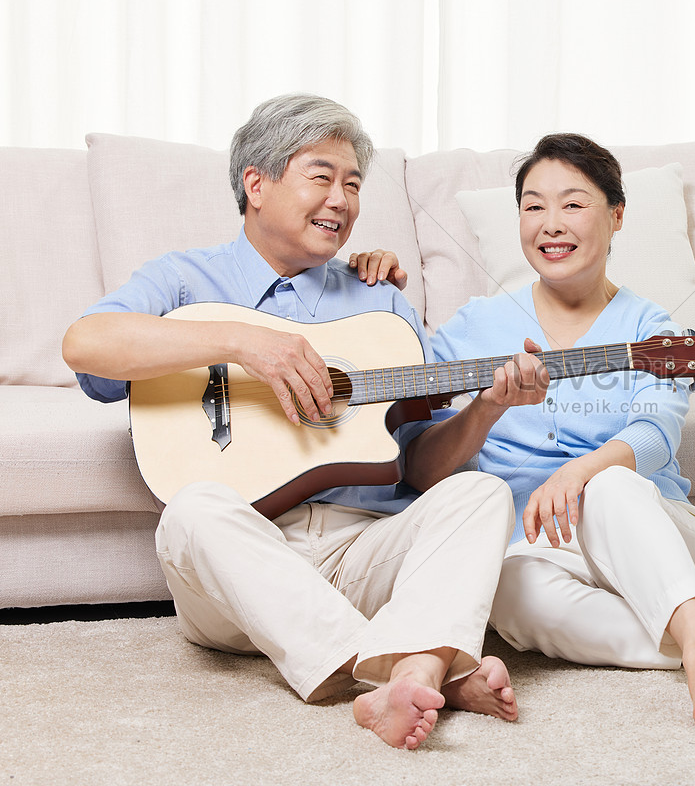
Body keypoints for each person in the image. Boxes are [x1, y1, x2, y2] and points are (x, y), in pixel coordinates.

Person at [61, 94, 547, 751]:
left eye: (353, 185)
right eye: (322, 177)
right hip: (244, 572)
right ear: (255, 184)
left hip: (365, 550)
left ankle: (396, 674)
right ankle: (415, 664)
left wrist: (488, 407)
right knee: (192, 510)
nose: (342, 200)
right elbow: (85, 344)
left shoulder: (381, 304)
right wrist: (240, 341)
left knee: (480, 492)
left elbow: (422, 467)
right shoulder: (184, 281)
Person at [407, 133, 695, 731]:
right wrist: (487, 410)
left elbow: (655, 436)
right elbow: (422, 470)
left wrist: (578, 473)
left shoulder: (653, 328)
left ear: (617, 215)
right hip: (541, 547)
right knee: (505, 589)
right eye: (533, 205)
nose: (551, 223)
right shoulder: (472, 327)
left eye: (573, 204)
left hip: (649, 530)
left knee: (610, 485)